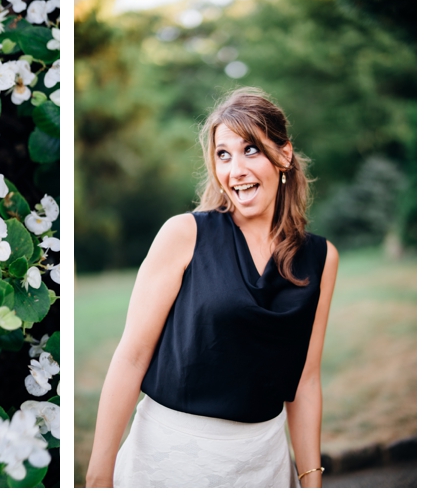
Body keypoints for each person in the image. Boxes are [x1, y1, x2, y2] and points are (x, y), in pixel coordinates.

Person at [85, 88, 337, 488]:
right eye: (224, 154)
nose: (235, 169)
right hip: (172, 459)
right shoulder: (184, 234)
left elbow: (305, 382)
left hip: (265, 464)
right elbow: (131, 357)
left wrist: (310, 479)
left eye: (250, 149)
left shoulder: (322, 257)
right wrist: (99, 475)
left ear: (284, 155)